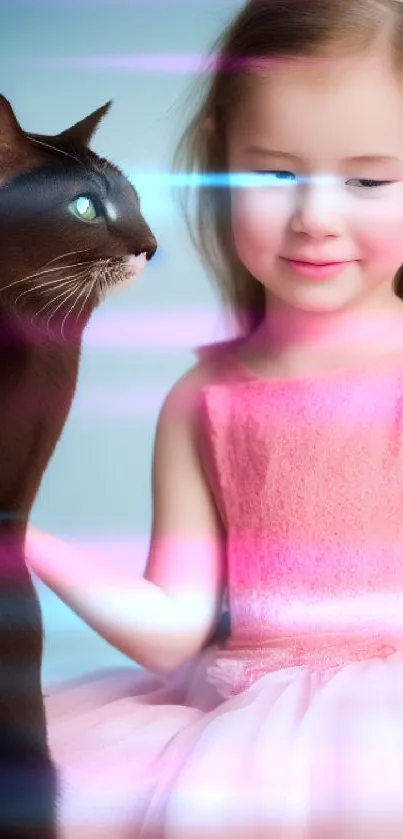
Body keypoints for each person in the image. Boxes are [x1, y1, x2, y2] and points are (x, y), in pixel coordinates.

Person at [25, 0, 403, 835]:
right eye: (272, 173)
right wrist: (23, 534)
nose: (314, 215)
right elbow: (170, 632)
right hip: (242, 728)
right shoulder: (203, 397)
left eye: (369, 179)